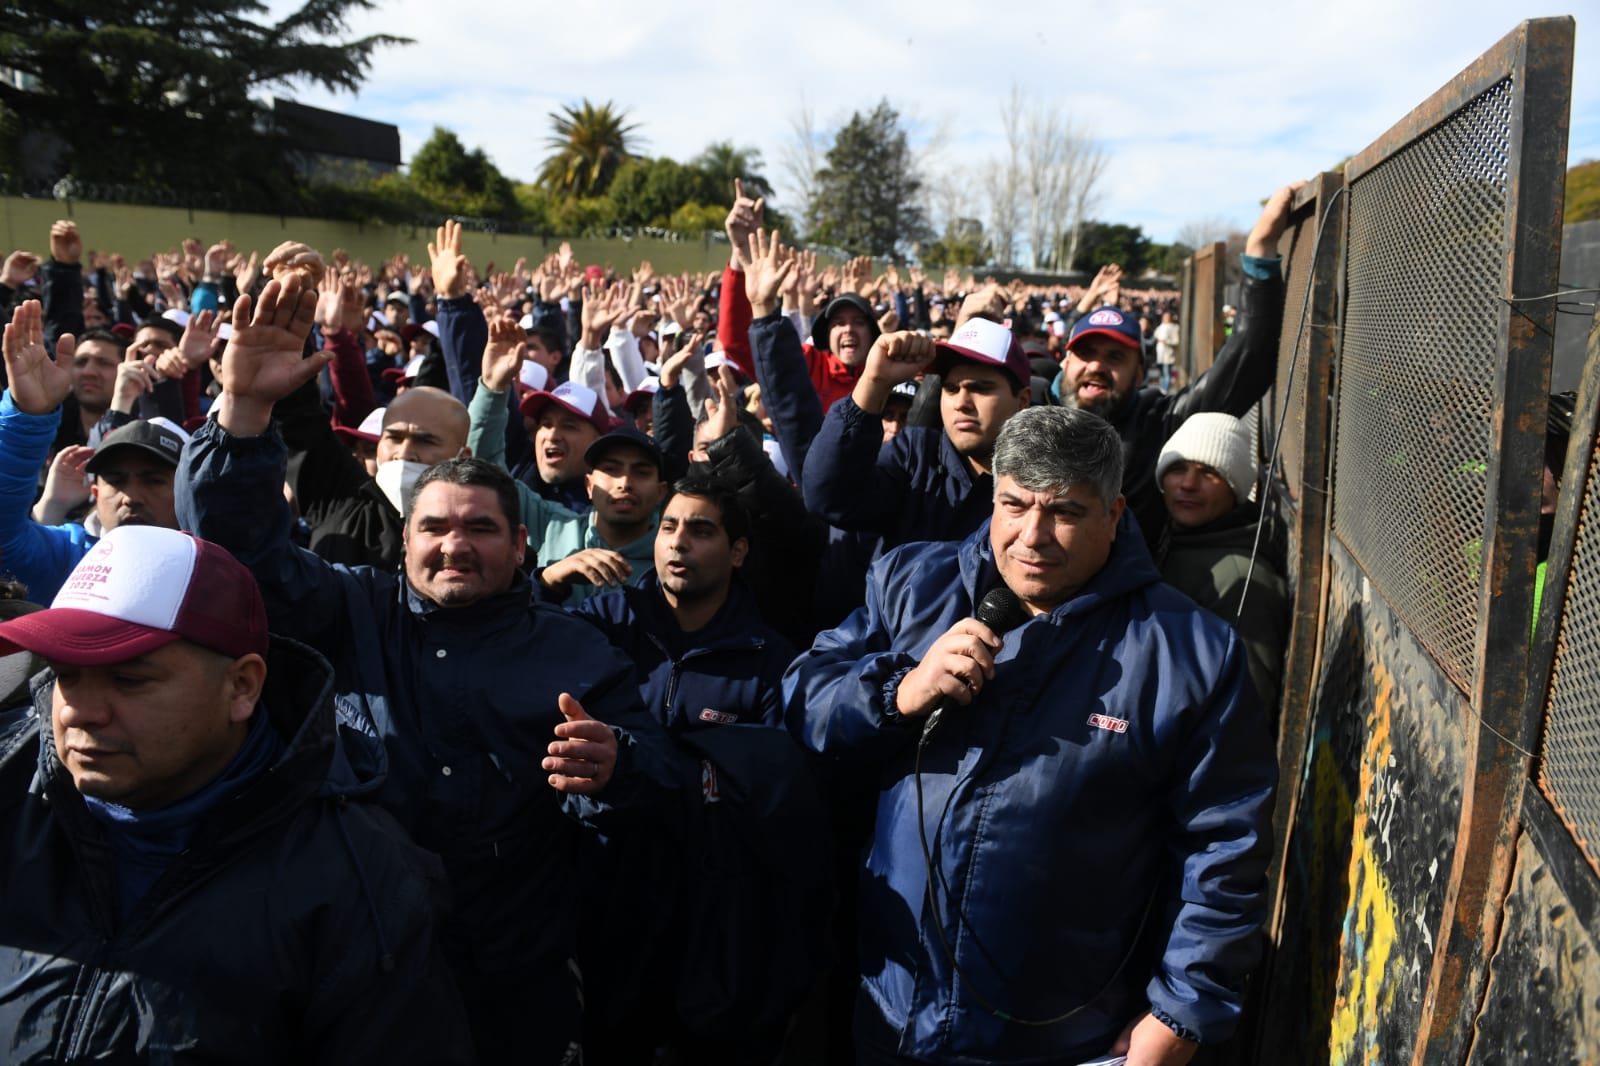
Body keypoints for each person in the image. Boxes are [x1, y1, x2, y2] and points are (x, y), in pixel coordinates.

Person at [178, 273, 673, 1063]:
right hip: (350, 962)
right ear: (404, 542)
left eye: (480, 528)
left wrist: (619, 766)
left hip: (511, 977)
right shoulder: (351, 610)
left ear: (520, 547)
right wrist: (240, 415)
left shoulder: (575, 652)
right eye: (434, 527)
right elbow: (243, 554)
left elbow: (658, 781)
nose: (454, 544)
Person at [786, 405, 1276, 1065]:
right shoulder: (911, 583)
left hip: (1067, 1037)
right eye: (1014, 506)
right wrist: (900, 693)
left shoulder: (1191, 653)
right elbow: (802, 697)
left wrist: (1180, 1015)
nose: (1032, 535)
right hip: (891, 1013)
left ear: (1115, 514)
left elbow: (1225, 848)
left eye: (1065, 513)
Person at [0, 525, 474, 1063]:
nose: (78, 712)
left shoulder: (360, 880)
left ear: (242, 686)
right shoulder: (12, 791)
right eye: (66, 675)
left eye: (129, 680)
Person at [572, 476, 827, 1065]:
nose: (678, 543)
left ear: (738, 552)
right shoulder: (607, 621)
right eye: (669, 527)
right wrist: (545, 579)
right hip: (605, 905)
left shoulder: (772, 664)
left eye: (701, 530)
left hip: (713, 920)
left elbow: (768, 800)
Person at [1055, 183, 1302, 552]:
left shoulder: (1160, 422)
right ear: (1065, 359)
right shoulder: (1028, 409)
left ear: (1140, 375)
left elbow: (1249, 362)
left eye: (1115, 357)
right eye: (1086, 352)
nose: (1097, 366)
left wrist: (1260, 252)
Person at [0, 301, 185, 602]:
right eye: (116, 480)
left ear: (185, 493)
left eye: (153, 480)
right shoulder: (68, 557)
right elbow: (3, 538)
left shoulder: (214, 562)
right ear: (96, 493)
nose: (131, 497)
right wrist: (26, 417)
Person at [803, 316, 1033, 550]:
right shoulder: (914, 458)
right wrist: (874, 382)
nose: (961, 403)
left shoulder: (1043, 481)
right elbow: (829, 497)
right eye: (951, 389)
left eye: (980, 389)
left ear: (1022, 400)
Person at [1155, 412, 1290, 712]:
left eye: (1209, 473)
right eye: (1178, 468)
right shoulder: (1173, 540)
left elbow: (1247, 702)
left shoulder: (1242, 578)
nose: (1189, 484)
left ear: (1236, 487)